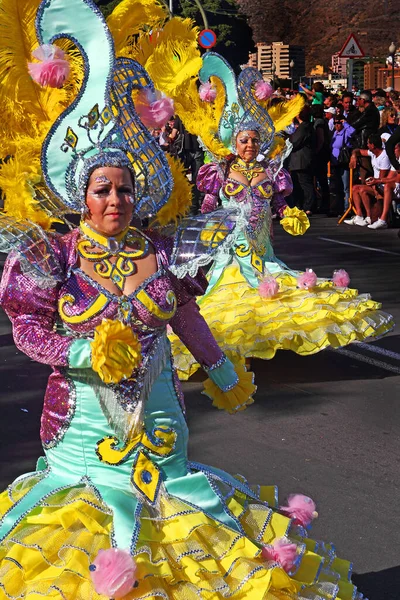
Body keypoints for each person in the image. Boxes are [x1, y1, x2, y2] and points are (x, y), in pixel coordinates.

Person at [0, 2, 381, 598]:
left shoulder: (164, 249)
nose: (117, 200)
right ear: (81, 195)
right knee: (83, 534)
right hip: (80, 429)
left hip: (160, 422)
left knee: (177, 515)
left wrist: (222, 369)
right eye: (104, 189)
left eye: (126, 189)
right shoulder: (55, 258)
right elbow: (28, 329)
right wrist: (84, 352)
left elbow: (186, 316)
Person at [169, 53, 393, 391]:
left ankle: (261, 347)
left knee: (273, 294)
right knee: (232, 298)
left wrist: (290, 215)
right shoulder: (220, 171)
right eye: (243, 140)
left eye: (254, 140)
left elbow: (280, 202)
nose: (248, 145)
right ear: (234, 141)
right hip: (231, 252)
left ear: (261, 142)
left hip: (262, 249)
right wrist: (204, 231)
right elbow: (209, 205)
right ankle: (229, 349)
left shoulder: (271, 171)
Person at [344, 133, 391, 227]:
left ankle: (369, 217)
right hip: (375, 183)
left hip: (382, 185)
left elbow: (381, 178)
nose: (367, 145)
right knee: (355, 188)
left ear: (373, 145)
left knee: (362, 189)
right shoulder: (372, 153)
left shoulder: (384, 157)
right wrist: (354, 156)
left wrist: (372, 182)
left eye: (368, 143)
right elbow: (358, 151)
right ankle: (359, 216)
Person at [287, 105, 315, 215]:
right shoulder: (305, 126)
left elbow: (295, 142)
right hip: (300, 160)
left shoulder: (304, 127)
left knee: (304, 183)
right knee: (299, 183)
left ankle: (308, 206)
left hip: (301, 160)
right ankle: (302, 205)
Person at [350, 91, 380, 182]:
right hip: (366, 142)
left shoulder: (370, 111)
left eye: (359, 99)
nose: (357, 101)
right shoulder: (371, 110)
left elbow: (357, 123)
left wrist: (347, 125)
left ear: (363, 100)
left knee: (365, 172)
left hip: (366, 144)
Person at [329, 118, 355, 216]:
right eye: (335, 123)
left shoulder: (346, 132)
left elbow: (353, 132)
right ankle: (338, 208)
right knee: (337, 187)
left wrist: (345, 123)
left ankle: (347, 208)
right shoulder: (334, 133)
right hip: (335, 163)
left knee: (346, 187)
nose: (337, 125)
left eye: (339, 123)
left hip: (343, 163)